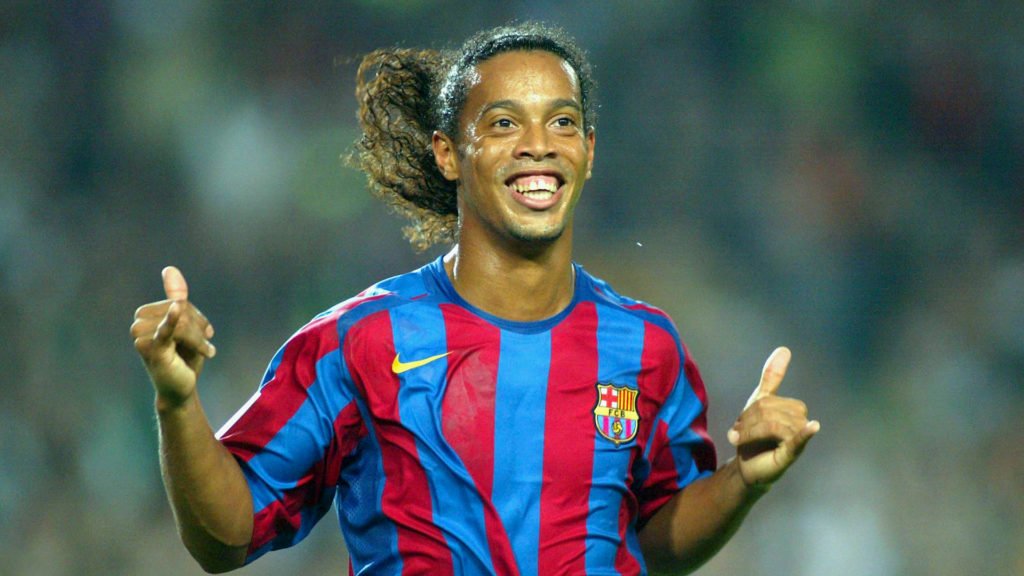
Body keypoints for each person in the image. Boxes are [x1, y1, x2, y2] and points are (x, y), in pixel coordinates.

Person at [131, 22, 818, 575]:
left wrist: (742, 481)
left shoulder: (646, 346)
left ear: (588, 150)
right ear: (447, 152)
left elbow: (657, 538)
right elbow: (226, 536)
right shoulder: (359, 341)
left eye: (562, 122)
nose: (538, 146)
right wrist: (176, 402)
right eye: (504, 124)